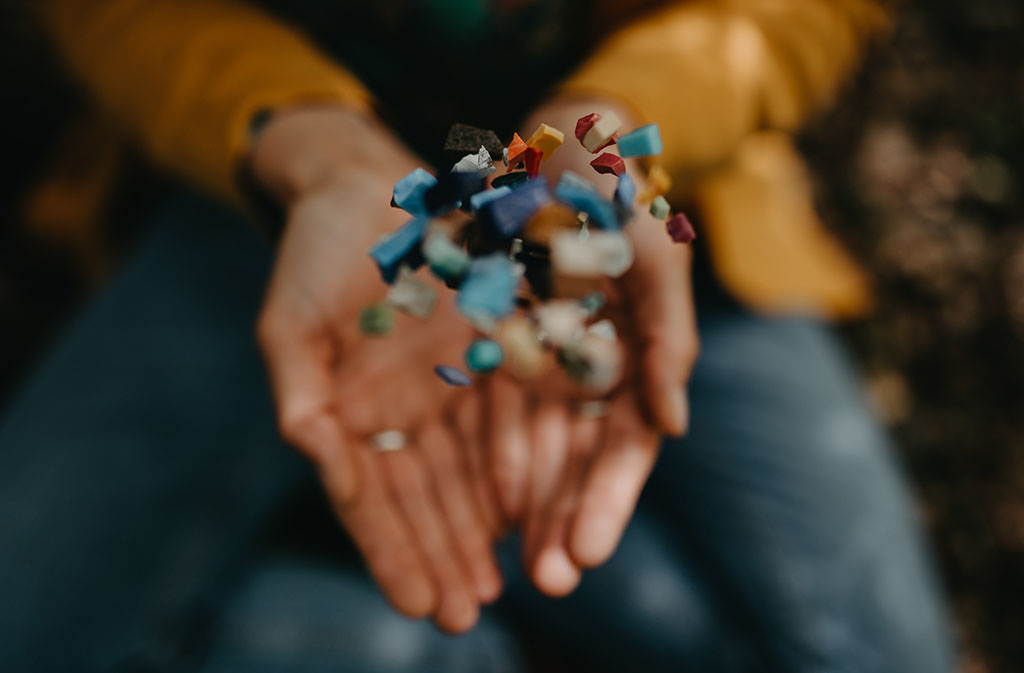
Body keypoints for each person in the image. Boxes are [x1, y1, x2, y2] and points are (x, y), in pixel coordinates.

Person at [0, 0, 953, 670]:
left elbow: (798, 14)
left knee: (881, 651)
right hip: (282, 203)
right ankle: (400, 629)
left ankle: (406, 558)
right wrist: (316, 151)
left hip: (630, 208)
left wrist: (606, 132)